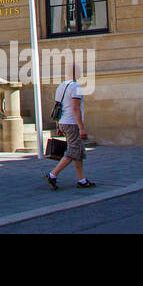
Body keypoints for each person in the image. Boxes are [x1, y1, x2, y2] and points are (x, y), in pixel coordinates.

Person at [46, 62, 94, 190]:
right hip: (72, 123)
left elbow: (58, 107)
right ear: (76, 73)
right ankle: (52, 174)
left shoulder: (60, 86)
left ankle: (82, 180)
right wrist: (81, 127)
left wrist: (58, 125)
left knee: (77, 151)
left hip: (63, 121)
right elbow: (75, 108)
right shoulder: (76, 87)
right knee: (73, 151)